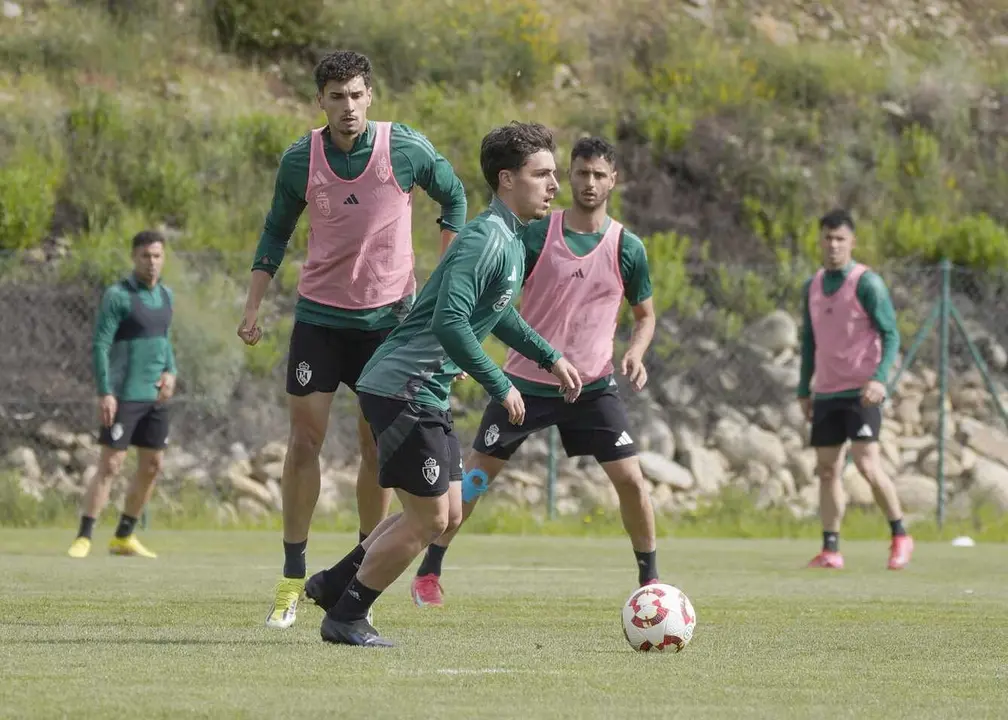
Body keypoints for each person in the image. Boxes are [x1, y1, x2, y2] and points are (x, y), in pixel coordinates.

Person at [305, 121, 584, 647]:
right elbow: (449, 323)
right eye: (541, 174)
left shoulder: (510, 238)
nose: (554, 186)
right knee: (431, 519)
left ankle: (334, 582)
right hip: (404, 387)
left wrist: (549, 357)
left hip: (422, 389)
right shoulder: (485, 238)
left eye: (554, 175)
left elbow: (494, 314)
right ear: (506, 179)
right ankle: (346, 616)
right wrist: (501, 384)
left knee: (447, 510)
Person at [236, 50, 468, 629]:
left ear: (372, 96)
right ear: (320, 101)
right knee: (304, 443)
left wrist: (443, 283)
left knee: (375, 452)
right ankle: (292, 579)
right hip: (319, 320)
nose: (348, 107)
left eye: (357, 95)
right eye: (336, 96)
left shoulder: (405, 149)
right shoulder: (300, 160)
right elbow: (275, 229)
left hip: (389, 326)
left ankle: (359, 573)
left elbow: (456, 198)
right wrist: (253, 303)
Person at [410, 136, 660, 607]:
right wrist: (466, 356)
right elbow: (491, 301)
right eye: (581, 173)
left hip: (592, 387)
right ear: (570, 175)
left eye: (599, 175)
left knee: (631, 482)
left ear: (614, 180)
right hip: (524, 383)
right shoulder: (536, 233)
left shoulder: (628, 247)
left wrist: (637, 351)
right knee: (476, 482)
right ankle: (430, 571)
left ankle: (651, 582)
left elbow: (645, 316)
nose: (589, 183)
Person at [797, 208, 913, 570]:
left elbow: (891, 333)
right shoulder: (813, 286)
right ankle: (831, 548)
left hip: (863, 391)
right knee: (827, 469)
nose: (833, 245)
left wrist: (880, 378)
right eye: (828, 238)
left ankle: (900, 534)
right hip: (827, 392)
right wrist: (805, 388)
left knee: (866, 465)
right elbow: (810, 341)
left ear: (852, 242)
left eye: (840, 239)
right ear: (820, 241)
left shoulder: (866, 283)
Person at [67, 230, 176, 559]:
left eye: (157, 256)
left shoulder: (167, 295)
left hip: (156, 397)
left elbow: (165, 338)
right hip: (125, 393)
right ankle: (84, 535)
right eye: (145, 256)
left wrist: (171, 371)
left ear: (163, 258)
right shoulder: (118, 295)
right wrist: (105, 391)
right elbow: (100, 343)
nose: (152, 262)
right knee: (111, 464)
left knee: (153, 465)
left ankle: (124, 536)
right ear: (134, 257)